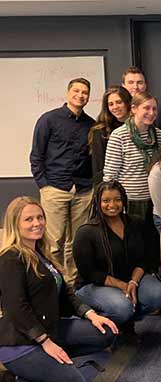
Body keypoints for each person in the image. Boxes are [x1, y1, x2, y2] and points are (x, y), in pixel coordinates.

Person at [0, 197, 117, 382]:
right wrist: (45, 342)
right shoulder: (11, 257)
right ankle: (12, 381)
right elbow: (16, 307)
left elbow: (65, 294)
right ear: (15, 224)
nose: (36, 223)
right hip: (21, 343)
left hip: (49, 329)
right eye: (28, 219)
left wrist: (91, 314)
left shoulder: (40, 252)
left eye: (40, 217)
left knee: (106, 332)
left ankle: (53, 366)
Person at [73, 181, 161, 329]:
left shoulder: (137, 223)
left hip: (130, 279)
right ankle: (103, 324)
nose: (112, 204)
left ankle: (125, 321)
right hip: (94, 285)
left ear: (124, 201)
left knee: (157, 294)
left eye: (117, 199)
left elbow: (147, 258)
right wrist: (122, 285)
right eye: (106, 200)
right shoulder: (86, 232)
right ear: (98, 202)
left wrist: (133, 282)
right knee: (122, 306)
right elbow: (89, 273)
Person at [30, 77, 95, 283]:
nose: (80, 95)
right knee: (54, 242)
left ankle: (73, 285)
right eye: (76, 91)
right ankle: (54, 282)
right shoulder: (48, 120)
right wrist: (44, 185)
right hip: (55, 189)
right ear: (68, 93)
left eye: (85, 92)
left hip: (83, 191)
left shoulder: (91, 125)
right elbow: (36, 155)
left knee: (77, 242)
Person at [103, 92, 161, 221]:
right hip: (129, 202)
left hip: (154, 201)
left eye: (154, 109)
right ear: (134, 109)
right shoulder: (119, 136)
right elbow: (110, 176)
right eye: (146, 108)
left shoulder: (160, 136)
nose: (151, 112)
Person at [88, 85, 132, 186]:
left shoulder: (140, 126)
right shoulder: (100, 131)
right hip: (112, 188)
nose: (115, 107)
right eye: (111, 104)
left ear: (128, 102)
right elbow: (98, 168)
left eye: (119, 102)